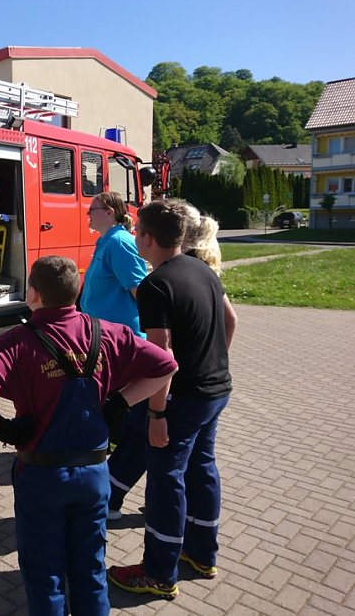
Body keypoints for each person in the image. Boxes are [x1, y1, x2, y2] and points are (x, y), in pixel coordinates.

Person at [0, 255, 178, 615]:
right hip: (93, 474)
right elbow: (167, 365)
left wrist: (2, 428)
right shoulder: (106, 332)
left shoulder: (17, 342)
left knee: (44, 572)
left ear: (33, 294)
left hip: (41, 476)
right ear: (77, 292)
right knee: (90, 567)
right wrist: (122, 402)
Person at [108, 200, 237, 600]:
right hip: (215, 391)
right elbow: (231, 320)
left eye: (137, 231)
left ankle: (159, 573)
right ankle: (201, 553)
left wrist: (157, 413)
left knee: (166, 481)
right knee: (202, 469)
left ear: (148, 238)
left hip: (181, 401)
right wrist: (211, 364)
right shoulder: (203, 269)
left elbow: (161, 357)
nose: (134, 236)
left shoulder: (156, 285)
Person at [80, 191, 148, 337]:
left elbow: (141, 293)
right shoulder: (106, 241)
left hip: (120, 338)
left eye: (92, 209)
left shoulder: (119, 242)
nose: (87, 213)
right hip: (105, 334)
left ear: (109, 212)